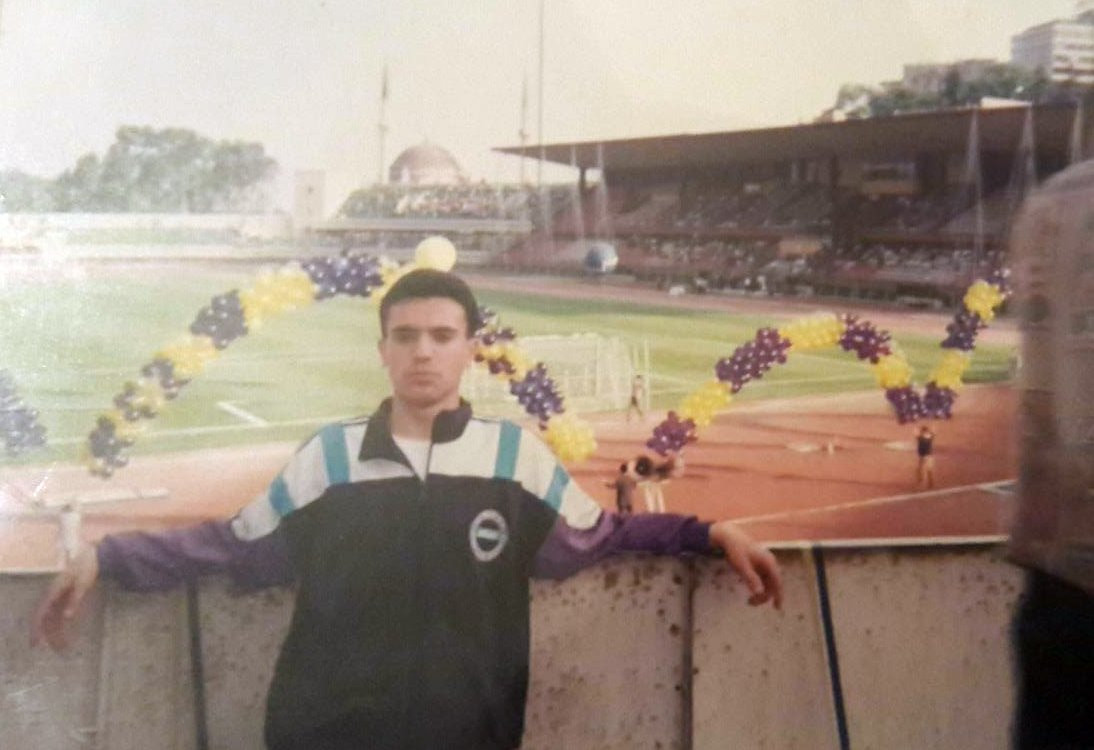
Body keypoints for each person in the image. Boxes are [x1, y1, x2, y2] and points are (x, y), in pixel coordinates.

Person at [31, 269, 782, 750]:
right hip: (326, 733)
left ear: (469, 350)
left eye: (442, 336)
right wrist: (109, 556)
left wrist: (709, 533)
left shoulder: (515, 458)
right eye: (406, 336)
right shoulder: (328, 459)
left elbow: (599, 536)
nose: (424, 352)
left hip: (470, 733)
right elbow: (233, 546)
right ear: (383, 350)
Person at [915, 424, 935, 489]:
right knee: (929, 470)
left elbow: (917, 435)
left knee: (920, 470)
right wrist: (933, 428)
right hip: (929, 456)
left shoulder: (921, 438)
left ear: (923, 432)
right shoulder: (930, 437)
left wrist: (916, 428)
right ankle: (931, 483)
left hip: (923, 456)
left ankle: (921, 483)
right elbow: (933, 433)